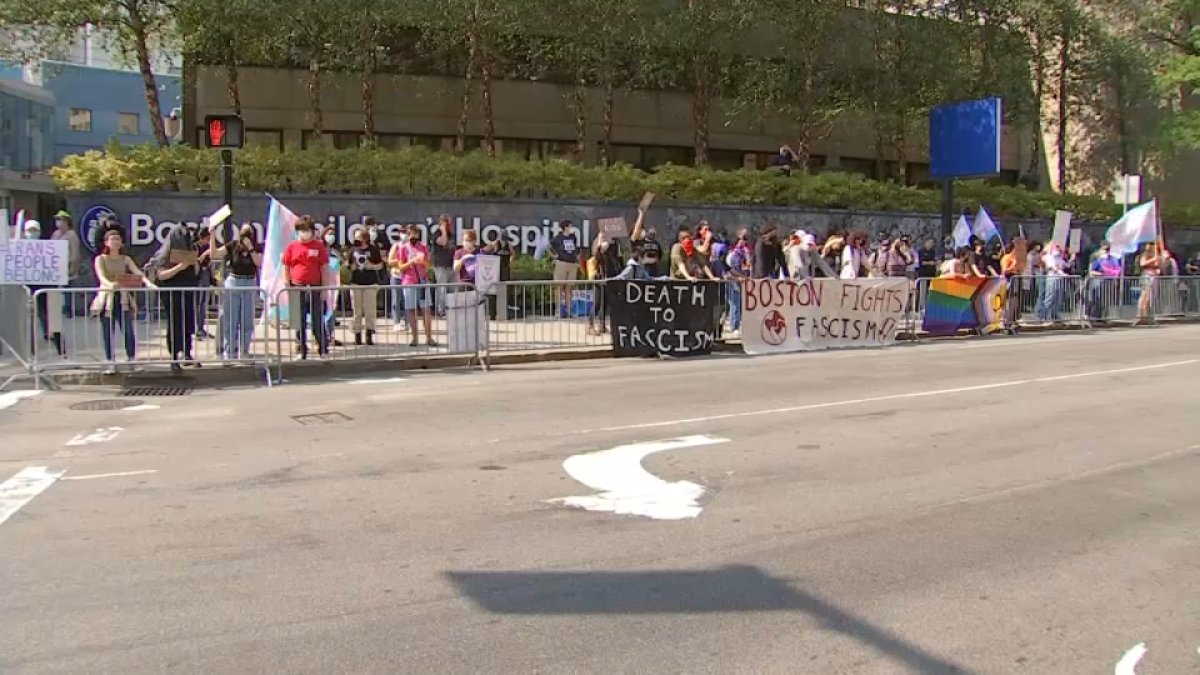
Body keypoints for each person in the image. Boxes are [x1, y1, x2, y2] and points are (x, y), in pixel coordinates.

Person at [91, 229, 152, 374]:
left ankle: (131, 359)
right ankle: (110, 361)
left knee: (128, 331)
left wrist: (148, 283)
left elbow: (137, 272)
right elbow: (101, 276)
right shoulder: (101, 259)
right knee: (108, 332)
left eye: (118, 239)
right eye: (112, 239)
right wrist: (109, 284)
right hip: (107, 299)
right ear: (106, 242)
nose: (115, 242)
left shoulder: (125, 259)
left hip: (123, 298)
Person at [152, 224, 200, 371]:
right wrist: (180, 266)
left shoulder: (191, 249)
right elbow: (161, 274)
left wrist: (194, 261)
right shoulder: (164, 254)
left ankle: (187, 353)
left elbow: (196, 273)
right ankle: (174, 356)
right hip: (172, 295)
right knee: (175, 325)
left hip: (188, 292)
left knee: (189, 323)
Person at [281, 216, 330, 360]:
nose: (304, 233)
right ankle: (301, 350)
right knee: (299, 321)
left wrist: (324, 289)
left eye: (307, 230)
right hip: (297, 287)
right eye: (301, 230)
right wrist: (287, 283)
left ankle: (323, 349)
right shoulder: (291, 247)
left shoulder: (319, 246)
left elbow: (324, 268)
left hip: (315, 288)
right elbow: (286, 266)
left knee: (317, 320)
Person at [220, 224, 262, 361]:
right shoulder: (233, 245)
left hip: (249, 282)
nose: (245, 235)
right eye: (243, 232)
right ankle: (229, 351)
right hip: (234, 282)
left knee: (247, 320)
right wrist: (212, 235)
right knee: (231, 319)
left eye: (248, 232)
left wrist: (250, 248)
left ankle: (244, 351)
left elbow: (258, 262)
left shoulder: (256, 247)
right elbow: (216, 253)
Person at [395, 224, 437, 347]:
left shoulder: (423, 247)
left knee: (426, 310)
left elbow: (429, 265)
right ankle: (414, 338)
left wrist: (423, 261)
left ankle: (429, 337)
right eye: (411, 234)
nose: (414, 237)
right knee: (411, 310)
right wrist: (411, 262)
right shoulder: (403, 248)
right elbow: (400, 266)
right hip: (409, 281)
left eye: (416, 234)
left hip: (422, 281)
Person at [348, 228, 384, 346]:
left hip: (370, 283)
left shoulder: (373, 250)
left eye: (358, 237)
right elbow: (348, 266)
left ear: (365, 238)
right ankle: (357, 335)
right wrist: (354, 265)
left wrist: (369, 265)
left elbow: (380, 265)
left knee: (370, 310)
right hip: (356, 282)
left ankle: (369, 335)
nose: (356, 239)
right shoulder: (353, 250)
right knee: (357, 310)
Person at [51, 210, 84, 317]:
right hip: (56, 267)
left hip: (67, 267)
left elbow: (75, 253)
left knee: (67, 290)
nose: (58, 222)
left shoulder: (71, 235)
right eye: (57, 220)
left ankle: (68, 310)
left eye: (60, 220)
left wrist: (72, 268)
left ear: (66, 221)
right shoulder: (55, 234)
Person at [548, 220, 581, 318]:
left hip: (572, 264)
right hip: (561, 263)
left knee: (569, 288)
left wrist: (577, 258)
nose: (572, 228)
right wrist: (554, 256)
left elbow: (577, 249)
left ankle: (569, 310)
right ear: (566, 227)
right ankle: (558, 310)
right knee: (559, 287)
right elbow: (548, 247)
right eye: (570, 226)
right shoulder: (558, 238)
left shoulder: (573, 237)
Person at [482, 234, 516, 321]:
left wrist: (510, 261)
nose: (503, 241)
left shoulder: (509, 245)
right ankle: (492, 314)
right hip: (495, 271)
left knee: (504, 292)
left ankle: (502, 313)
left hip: (505, 271)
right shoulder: (494, 244)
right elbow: (483, 251)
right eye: (502, 239)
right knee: (493, 292)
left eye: (504, 240)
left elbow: (513, 254)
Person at [725, 228, 752, 334]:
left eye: (747, 238)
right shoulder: (732, 254)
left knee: (744, 304)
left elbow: (749, 265)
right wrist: (740, 276)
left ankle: (742, 325)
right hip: (734, 281)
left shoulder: (746, 252)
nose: (745, 241)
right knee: (735, 304)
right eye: (743, 238)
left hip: (745, 280)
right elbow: (730, 269)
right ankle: (734, 326)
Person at [1087, 240, 1122, 321]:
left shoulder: (1111, 258)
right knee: (1096, 299)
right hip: (1097, 280)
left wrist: (1114, 277)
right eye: (1105, 249)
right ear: (1101, 248)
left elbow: (1116, 269)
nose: (1107, 251)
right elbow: (1091, 270)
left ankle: (1103, 317)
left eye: (1108, 249)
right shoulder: (1095, 256)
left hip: (1108, 280)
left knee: (1105, 299)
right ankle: (1094, 317)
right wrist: (1102, 274)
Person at [430, 214, 456, 316]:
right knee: (442, 288)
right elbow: (443, 241)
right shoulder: (436, 234)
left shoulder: (452, 235)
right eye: (448, 223)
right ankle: (441, 311)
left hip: (451, 266)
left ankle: (451, 309)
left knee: (453, 289)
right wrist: (443, 230)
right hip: (441, 266)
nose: (451, 225)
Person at [629, 208, 664, 277]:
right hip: (638, 270)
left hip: (651, 269)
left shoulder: (645, 242)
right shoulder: (634, 241)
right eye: (641, 229)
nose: (643, 231)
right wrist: (641, 215)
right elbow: (637, 229)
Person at [1137, 241, 1165, 324]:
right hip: (1147, 276)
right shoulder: (1145, 255)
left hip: (1154, 276)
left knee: (1152, 297)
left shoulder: (1157, 255)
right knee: (1145, 296)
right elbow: (1142, 264)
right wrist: (1153, 259)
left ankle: (1150, 316)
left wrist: (1160, 263)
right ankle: (1142, 315)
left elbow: (1160, 267)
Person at [1038, 242, 1066, 323]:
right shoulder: (1049, 257)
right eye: (1056, 248)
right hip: (1052, 279)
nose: (1057, 250)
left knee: (1057, 299)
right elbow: (1053, 267)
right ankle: (1045, 316)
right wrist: (1061, 273)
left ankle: (1055, 316)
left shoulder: (1059, 259)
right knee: (1050, 298)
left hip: (1059, 280)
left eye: (1058, 248)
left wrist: (1072, 259)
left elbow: (1066, 265)